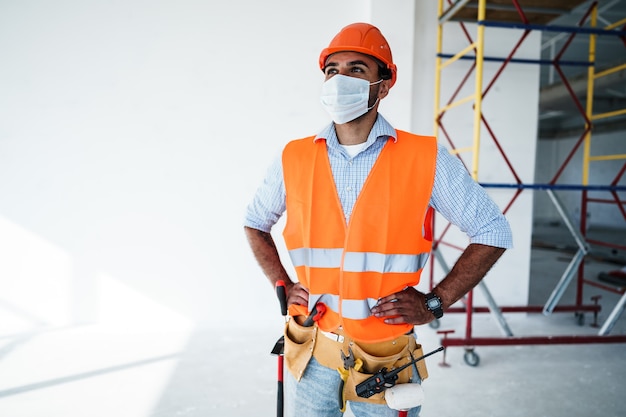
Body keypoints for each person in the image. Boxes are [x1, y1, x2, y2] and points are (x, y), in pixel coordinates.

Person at [244, 22, 513, 417]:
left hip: (387, 358)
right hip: (313, 348)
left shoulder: (424, 157)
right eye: (332, 69)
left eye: (356, 69)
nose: (339, 79)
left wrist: (435, 302)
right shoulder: (294, 157)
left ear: (384, 85)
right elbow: (255, 221)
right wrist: (282, 284)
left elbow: (493, 230)